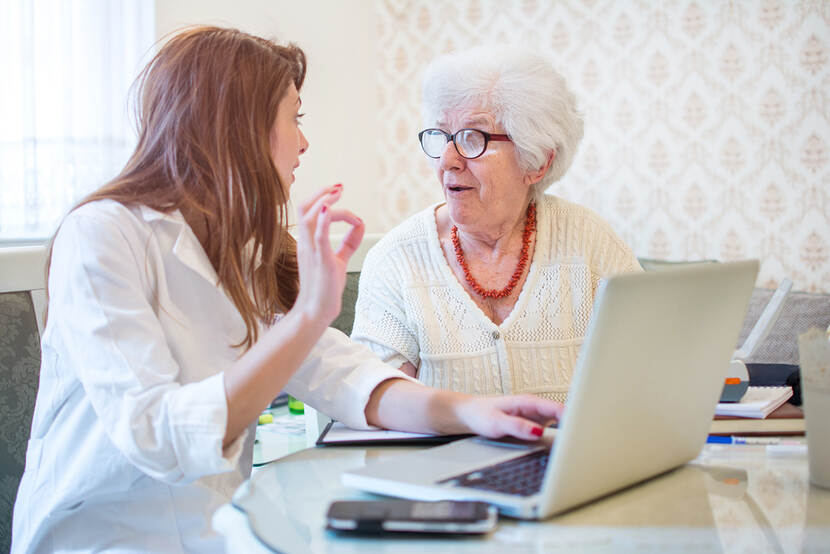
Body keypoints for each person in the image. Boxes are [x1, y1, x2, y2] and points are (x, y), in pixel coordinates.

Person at [11, 28, 563, 553]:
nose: (304, 142)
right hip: (100, 538)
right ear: (237, 128)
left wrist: (475, 414)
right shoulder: (103, 235)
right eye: (293, 119)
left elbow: (347, 377)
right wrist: (306, 317)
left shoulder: (247, 249)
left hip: (219, 532)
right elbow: (157, 437)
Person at [351, 46, 641, 404]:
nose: (448, 160)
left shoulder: (590, 243)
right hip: (443, 461)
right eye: (442, 136)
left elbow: (651, 368)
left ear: (536, 161)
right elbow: (374, 401)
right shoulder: (396, 259)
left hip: (577, 459)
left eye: (474, 138)